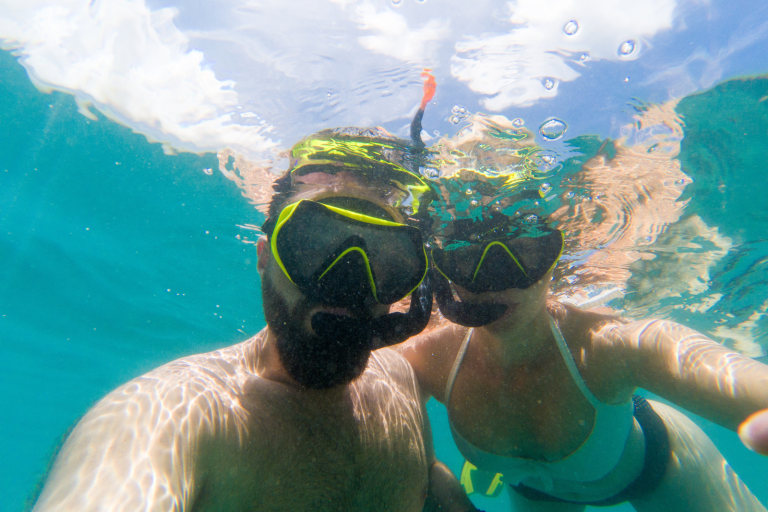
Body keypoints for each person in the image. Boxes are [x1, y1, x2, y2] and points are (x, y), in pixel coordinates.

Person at [30, 127, 478, 512]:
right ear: (264, 257)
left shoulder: (399, 379)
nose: (347, 283)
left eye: (384, 259)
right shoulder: (174, 416)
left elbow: (425, 479)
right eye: (312, 244)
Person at [398, 198, 768, 511]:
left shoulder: (607, 346)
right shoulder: (429, 360)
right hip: (534, 493)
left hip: (661, 468)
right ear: (443, 267)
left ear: (554, 256)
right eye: (466, 257)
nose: (497, 279)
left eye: (525, 252)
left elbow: (682, 356)